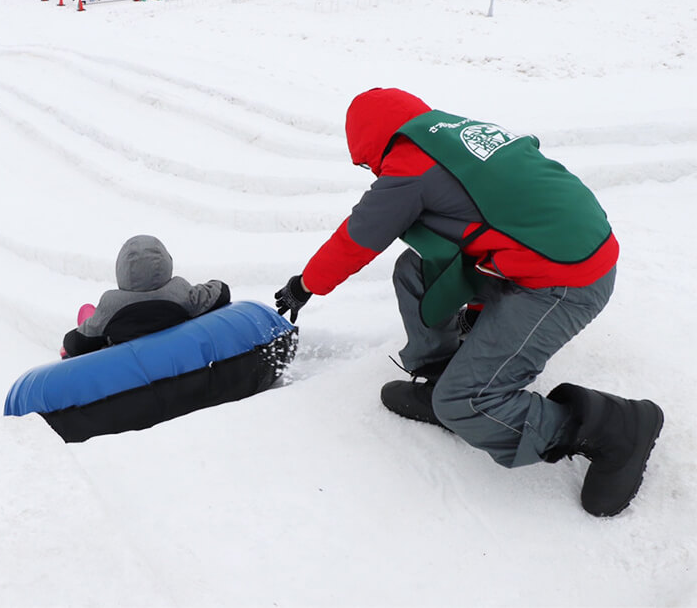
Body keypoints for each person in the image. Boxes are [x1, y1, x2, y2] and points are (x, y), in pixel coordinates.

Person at [273, 87, 663, 518]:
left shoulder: (409, 167)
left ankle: (612, 429)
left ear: (372, 142)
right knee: (415, 270)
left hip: (563, 282)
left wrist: (304, 285)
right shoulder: (452, 135)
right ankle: (442, 375)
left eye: (367, 163)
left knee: (468, 402)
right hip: (546, 253)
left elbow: (358, 237)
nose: (372, 171)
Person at [63, 235, 231, 358]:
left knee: (94, 323)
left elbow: (75, 343)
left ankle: (91, 320)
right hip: (171, 355)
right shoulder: (182, 293)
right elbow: (221, 291)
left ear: (121, 271)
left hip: (126, 366)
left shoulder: (111, 307)